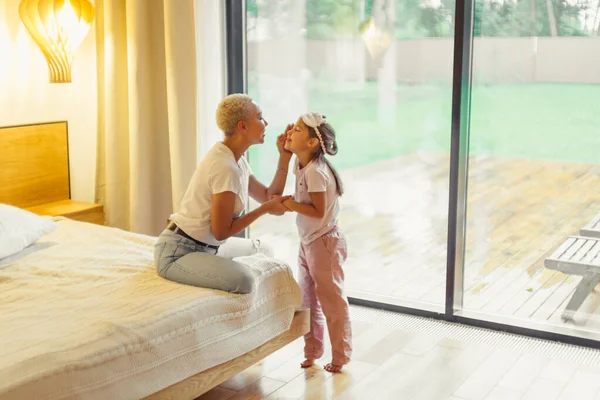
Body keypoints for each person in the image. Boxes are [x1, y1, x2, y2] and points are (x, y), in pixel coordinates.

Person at [154, 94, 294, 294]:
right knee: (245, 280)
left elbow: (268, 196)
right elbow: (222, 231)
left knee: (263, 250)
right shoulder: (224, 167)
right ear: (242, 126)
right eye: (260, 117)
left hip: (209, 247)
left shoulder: (237, 160)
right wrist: (265, 210)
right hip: (179, 253)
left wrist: (284, 158)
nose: (266, 123)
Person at [279, 112, 351, 373]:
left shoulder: (317, 172)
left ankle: (341, 355)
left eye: (297, 130)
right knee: (307, 299)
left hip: (324, 243)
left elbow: (318, 211)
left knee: (332, 302)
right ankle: (312, 350)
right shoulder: (303, 166)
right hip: (308, 242)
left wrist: (289, 205)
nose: (289, 132)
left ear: (311, 143)